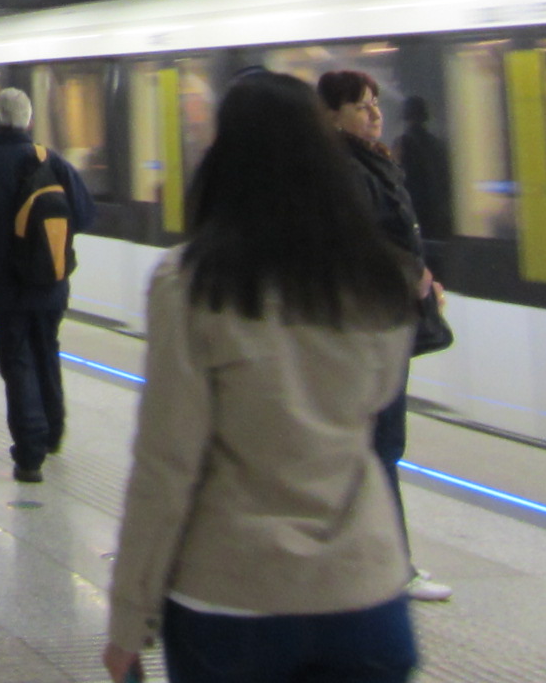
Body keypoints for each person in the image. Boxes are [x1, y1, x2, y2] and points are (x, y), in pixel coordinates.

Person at [104, 72, 419, 683]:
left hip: (232, 599)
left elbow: (167, 463)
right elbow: (377, 408)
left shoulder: (192, 284)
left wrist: (128, 621)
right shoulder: (378, 278)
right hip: (364, 592)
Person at [318, 68, 449, 604]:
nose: (374, 112)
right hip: (370, 326)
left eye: (374, 102)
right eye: (359, 105)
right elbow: (355, 244)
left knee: (377, 446)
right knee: (380, 446)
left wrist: (419, 277)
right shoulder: (344, 169)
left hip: (385, 320)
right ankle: (389, 566)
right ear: (331, 116)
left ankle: (367, 558)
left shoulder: (370, 160)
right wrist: (410, 277)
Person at [0, 84, 97, 482]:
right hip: (50, 281)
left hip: (1, 285)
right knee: (47, 351)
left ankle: (29, 454)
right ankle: (52, 432)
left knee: (17, 362)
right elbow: (83, 214)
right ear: (29, 122)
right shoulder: (53, 161)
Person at [395, 96, 453, 261]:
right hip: (438, 218)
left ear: (406, 116)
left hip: (417, 218)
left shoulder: (403, 143)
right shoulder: (437, 144)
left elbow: (398, 181)